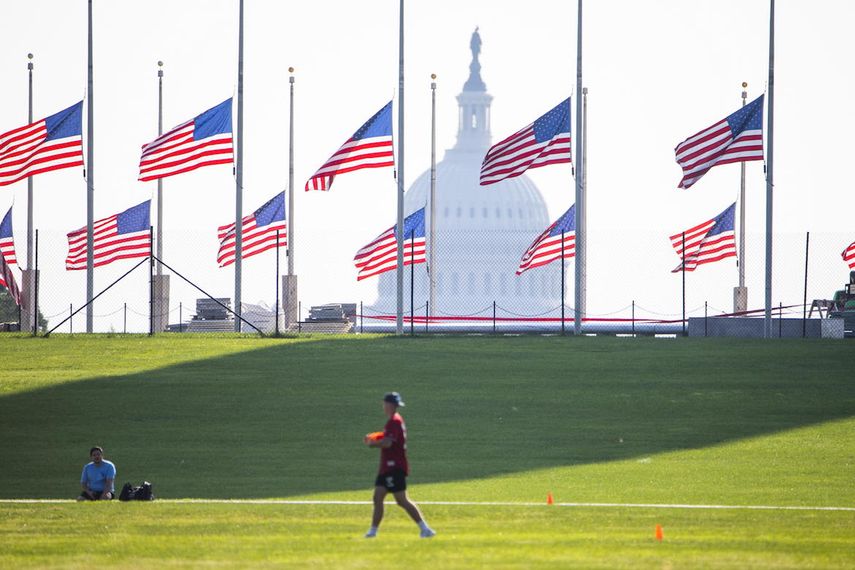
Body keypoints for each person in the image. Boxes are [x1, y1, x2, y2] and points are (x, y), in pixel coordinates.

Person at [363, 392, 435, 539]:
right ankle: (372, 531)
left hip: (394, 467)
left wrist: (372, 443)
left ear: (388, 405)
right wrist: (376, 437)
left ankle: (425, 528)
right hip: (387, 468)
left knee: (401, 500)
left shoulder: (394, 422)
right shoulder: (394, 421)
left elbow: (388, 442)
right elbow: (387, 436)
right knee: (378, 497)